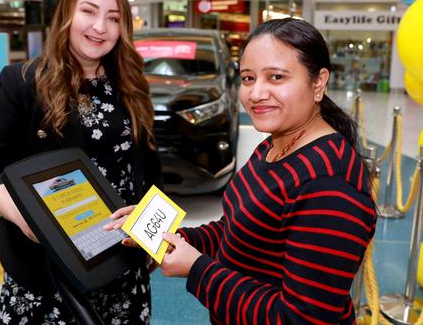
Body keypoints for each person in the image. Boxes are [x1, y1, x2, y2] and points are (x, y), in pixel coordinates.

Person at [108, 18, 377, 324]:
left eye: (276, 77)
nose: (256, 93)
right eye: (248, 79)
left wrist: (197, 268)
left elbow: (302, 319)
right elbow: (238, 228)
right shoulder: (277, 143)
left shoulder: (329, 183)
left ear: (318, 83)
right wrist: (169, 237)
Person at [0, 0, 161, 325]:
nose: (100, 27)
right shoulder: (24, 82)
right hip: (46, 275)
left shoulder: (133, 87)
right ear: (66, 15)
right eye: (89, 11)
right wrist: (27, 220)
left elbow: (149, 178)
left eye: (114, 18)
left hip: (122, 269)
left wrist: (153, 233)